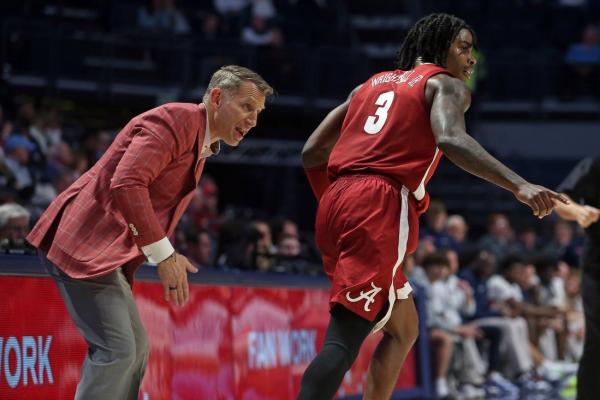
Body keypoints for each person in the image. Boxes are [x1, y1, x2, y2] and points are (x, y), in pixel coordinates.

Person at [298, 13, 568, 399]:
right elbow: (451, 139)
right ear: (439, 48)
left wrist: (338, 201)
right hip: (377, 203)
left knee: (404, 328)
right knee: (344, 337)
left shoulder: (367, 86)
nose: (471, 59)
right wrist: (519, 185)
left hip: (337, 198)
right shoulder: (445, 84)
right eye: (464, 48)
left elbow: (312, 152)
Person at [26, 65, 273, 400]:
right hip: (82, 241)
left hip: (103, 251)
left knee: (136, 349)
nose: (253, 120)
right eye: (246, 107)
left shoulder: (200, 141)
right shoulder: (177, 120)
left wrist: (167, 253)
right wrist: (164, 255)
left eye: (258, 112)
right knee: (118, 351)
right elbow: (127, 184)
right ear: (216, 98)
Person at [553, 157, 600, 400]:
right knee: (597, 341)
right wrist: (579, 211)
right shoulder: (594, 165)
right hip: (597, 267)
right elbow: (560, 200)